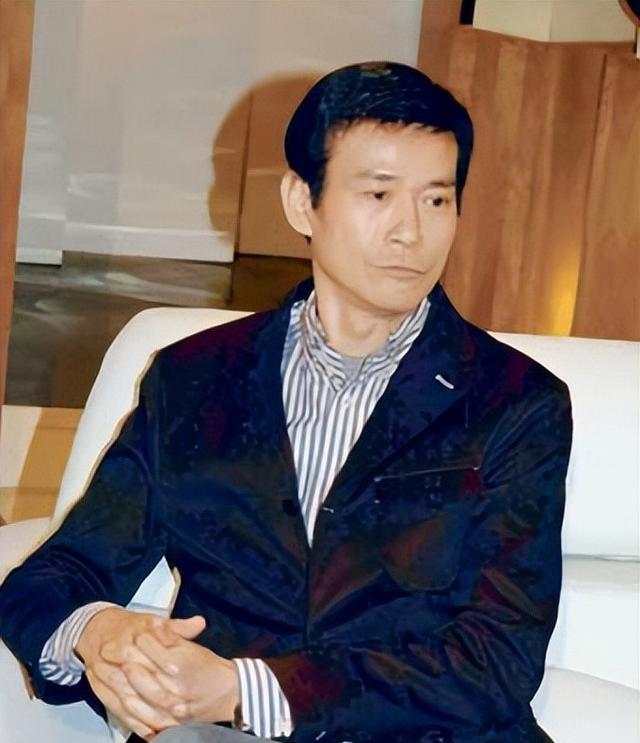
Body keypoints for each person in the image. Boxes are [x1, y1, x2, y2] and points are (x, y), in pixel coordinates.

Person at [0, 62, 572, 743]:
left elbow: (499, 658)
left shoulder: (517, 403)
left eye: (437, 200)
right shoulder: (193, 382)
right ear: (302, 202)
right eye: (379, 194)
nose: (411, 232)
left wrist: (244, 689)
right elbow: (57, 574)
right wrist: (101, 634)